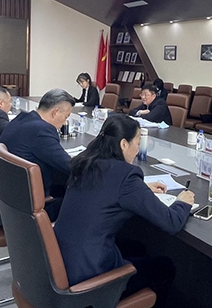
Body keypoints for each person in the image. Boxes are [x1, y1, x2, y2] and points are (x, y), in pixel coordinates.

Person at [54, 114, 194, 303]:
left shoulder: (85, 162)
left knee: (137, 247)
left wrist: (141, 189)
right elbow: (171, 222)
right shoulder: (126, 176)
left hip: (62, 262)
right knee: (164, 267)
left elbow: (107, 188)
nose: (138, 150)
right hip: (90, 277)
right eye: (137, 142)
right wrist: (183, 202)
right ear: (123, 144)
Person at [0, 88, 75, 221]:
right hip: (30, 209)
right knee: (85, 200)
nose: (64, 123)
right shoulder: (42, 131)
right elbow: (70, 166)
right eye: (66, 117)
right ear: (55, 112)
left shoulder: (21, 119)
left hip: (10, 198)